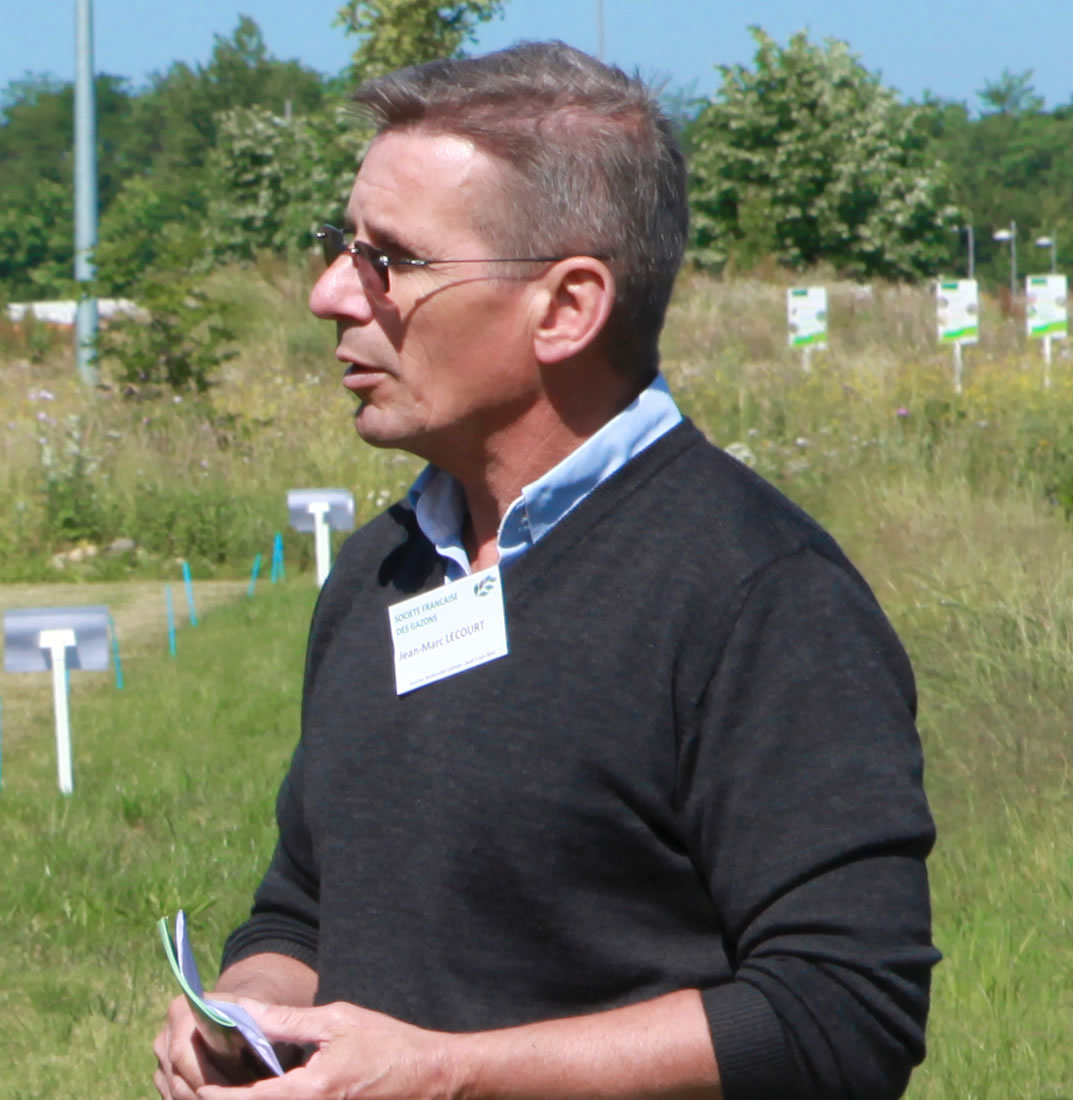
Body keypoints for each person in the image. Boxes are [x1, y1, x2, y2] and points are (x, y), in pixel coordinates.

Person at [154, 40, 938, 1100]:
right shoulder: (381, 570)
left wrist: (447, 1073)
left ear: (565, 307)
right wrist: (250, 1007)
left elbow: (839, 1015)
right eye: (342, 245)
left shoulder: (763, 594)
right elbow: (306, 896)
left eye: (391, 259)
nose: (329, 292)